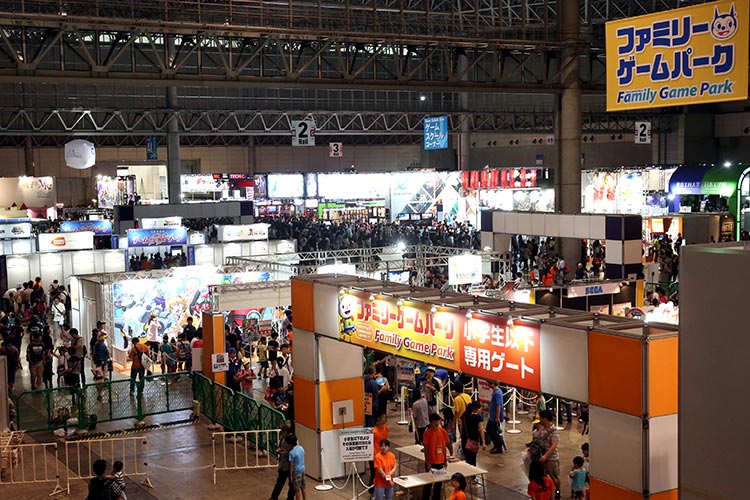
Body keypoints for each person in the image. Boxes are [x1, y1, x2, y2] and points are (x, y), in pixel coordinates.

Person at [422, 413, 450, 500]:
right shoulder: (427, 433)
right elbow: (426, 449)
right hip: (431, 462)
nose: (436, 423)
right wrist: (427, 461)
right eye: (434, 422)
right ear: (430, 422)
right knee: (428, 484)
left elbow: (444, 447)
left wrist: (445, 460)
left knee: (438, 485)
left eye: (438, 421)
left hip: (440, 461)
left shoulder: (443, 432)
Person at [534, 409, 561, 499]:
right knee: (544, 477)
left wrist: (546, 456)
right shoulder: (541, 429)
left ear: (545, 419)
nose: (540, 420)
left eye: (541, 418)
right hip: (542, 457)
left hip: (551, 459)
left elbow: (554, 445)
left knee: (554, 477)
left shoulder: (554, 431)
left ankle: (557, 492)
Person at [270, 425, 295, 500]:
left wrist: (285, 453)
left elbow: (294, 452)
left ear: (286, 432)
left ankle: (290, 498)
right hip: (283, 465)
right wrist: (280, 450)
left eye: (282, 432)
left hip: (290, 465)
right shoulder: (283, 439)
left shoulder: (292, 440)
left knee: (292, 484)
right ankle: (274, 497)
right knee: (279, 483)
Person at [369, 411, 389, 495]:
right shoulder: (374, 431)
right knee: (374, 474)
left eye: (385, 416)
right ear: (378, 419)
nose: (385, 418)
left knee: (383, 473)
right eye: (383, 417)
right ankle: (372, 492)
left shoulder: (386, 429)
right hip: (375, 456)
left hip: (383, 455)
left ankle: (382, 491)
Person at [461, 402, 485, 466]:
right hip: (473, 440)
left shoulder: (464, 416)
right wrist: (483, 442)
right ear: (475, 409)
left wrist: (461, 437)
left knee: (467, 458)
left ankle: (468, 470)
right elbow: (481, 430)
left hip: (465, 439)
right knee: (473, 458)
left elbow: (461, 427)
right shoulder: (478, 418)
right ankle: (472, 471)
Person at [487, 381, 506, 454]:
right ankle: (496, 445)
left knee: (493, 431)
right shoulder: (496, 392)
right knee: (491, 430)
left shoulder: (497, 393)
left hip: (495, 417)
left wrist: (497, 417)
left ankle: (498, 447)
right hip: (493, 416)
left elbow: (498, 405)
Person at [287, 435, 306, 500]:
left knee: (297, 490)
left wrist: (291, 475)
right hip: (302, 469)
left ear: (290, 444)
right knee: (303, 487)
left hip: (296, 472)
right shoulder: (301, 448)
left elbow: (291, 465)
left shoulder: (292, 453)